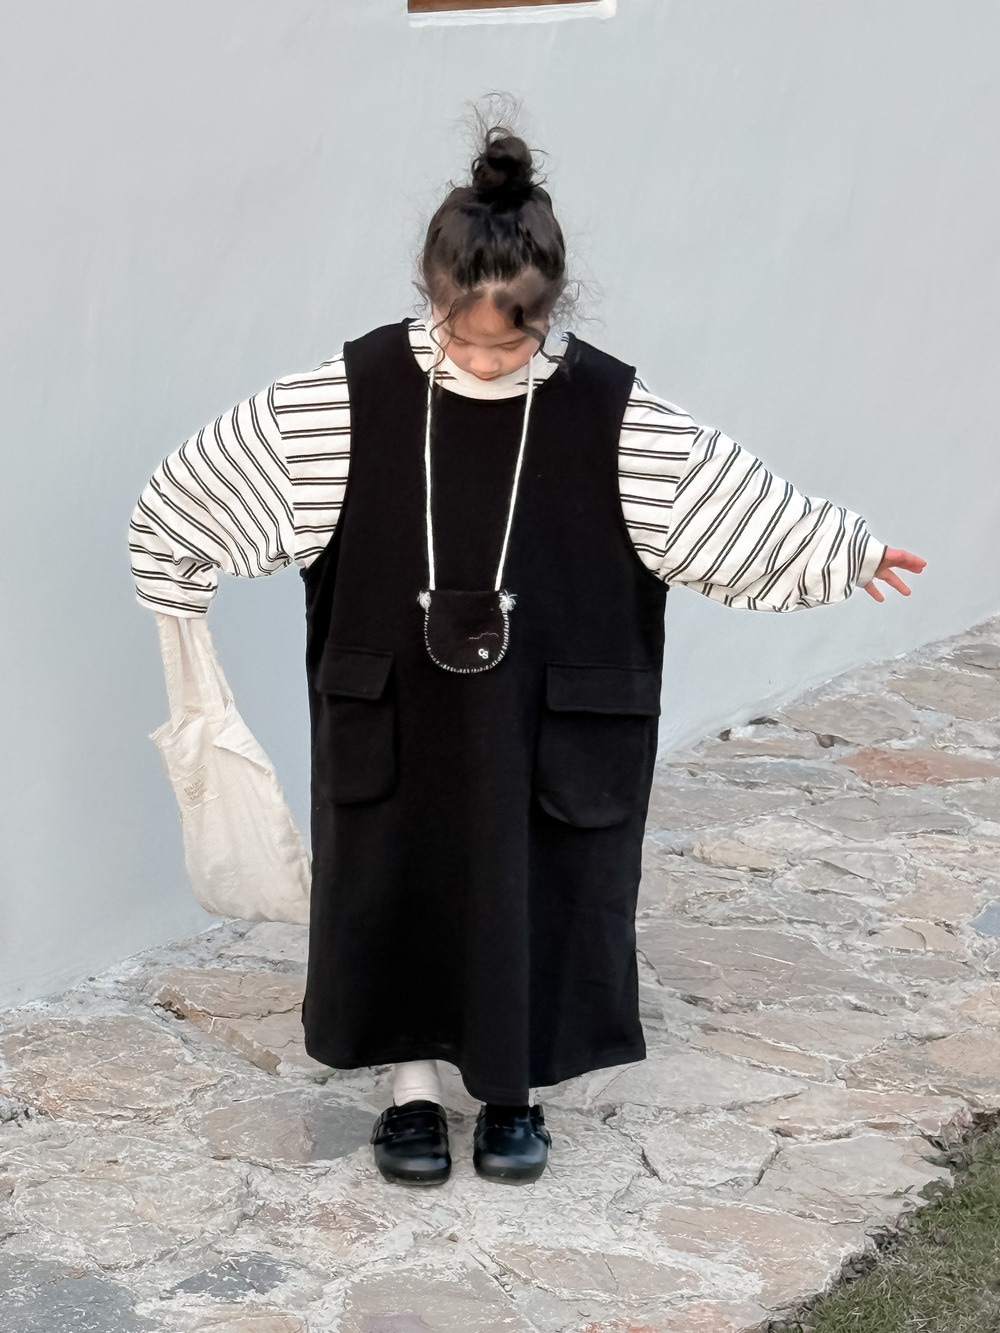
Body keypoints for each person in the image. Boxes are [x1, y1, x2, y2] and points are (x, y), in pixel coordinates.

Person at [129, 119, 925, 1190]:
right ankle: (410, 1088)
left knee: (535, 885)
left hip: (548, 721)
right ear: (431, 296)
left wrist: (844, 549)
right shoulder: (345, 398)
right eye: (462, 339)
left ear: (549, 313)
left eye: (507, 345)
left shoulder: (611, 411)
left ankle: (515, 1090)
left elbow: (727, 499)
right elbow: (195, 492)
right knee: (394, 881)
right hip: (395, 713)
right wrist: (173, 569)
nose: (482, 361)